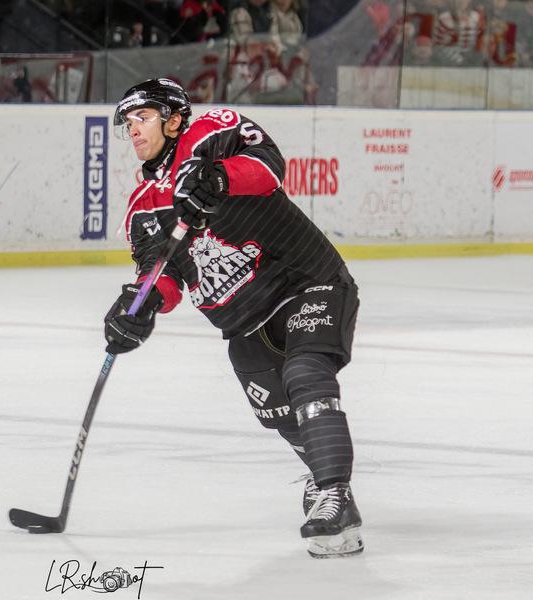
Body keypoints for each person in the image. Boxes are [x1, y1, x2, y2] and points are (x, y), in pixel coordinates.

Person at [104, 78, 363, 558]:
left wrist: (220, 177)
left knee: (306, 373)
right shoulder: (143, 206)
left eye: (142, 117)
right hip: (243, 322)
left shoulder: (210, 132)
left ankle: (335, 495)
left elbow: (269, 165)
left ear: (173, 119)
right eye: (128, 123)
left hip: (306, 281)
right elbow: (162, 272)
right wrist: (138, 307)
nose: (133, 129)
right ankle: (322, 473)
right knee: (278, 413)